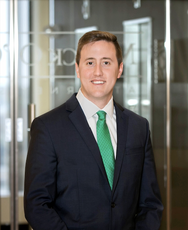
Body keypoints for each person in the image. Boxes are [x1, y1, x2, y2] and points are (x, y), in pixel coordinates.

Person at [24, 30, 163, 230]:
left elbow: (150, 203)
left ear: (120, 69)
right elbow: (36, 204)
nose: (98, 72)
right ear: (77, 69)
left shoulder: (139, 127)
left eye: (106, 62)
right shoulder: (48, 127)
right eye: (90, 62)